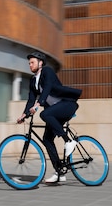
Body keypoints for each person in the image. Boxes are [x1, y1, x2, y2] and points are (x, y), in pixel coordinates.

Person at [17, 51, 82, 183]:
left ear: (40, 63)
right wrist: (24, 115)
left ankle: (68, 141)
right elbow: (31, 99)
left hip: (67, 105)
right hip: (54, 111)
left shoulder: (47, 71)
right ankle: (60, 172)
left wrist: (38, 104)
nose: (30, 65)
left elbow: (47, 88)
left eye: (32, 62)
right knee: (47, 139)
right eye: (29, 63)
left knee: (44, 114)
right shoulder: (33, 80)